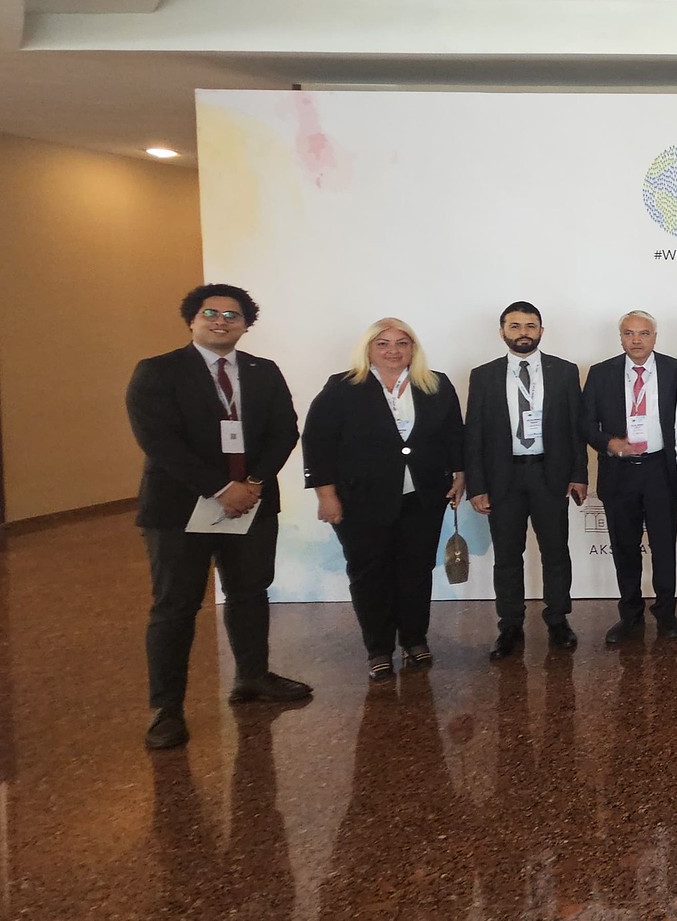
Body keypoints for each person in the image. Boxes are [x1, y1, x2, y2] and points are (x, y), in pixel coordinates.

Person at [125, 284, 311, 750]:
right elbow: (159, 441)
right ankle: (167, 710)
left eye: (233, 315)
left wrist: (253, 483)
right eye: (211, 313)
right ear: (192, 319)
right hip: (179, 509)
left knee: (250, 592)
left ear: (246, 325)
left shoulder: (263, 371)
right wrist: (221, 488)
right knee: (175, 606)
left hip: (251, 503)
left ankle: (252, 677)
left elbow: (284, 431)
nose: (221, 321)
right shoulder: (158, 371)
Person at [303, 317, 466, 680]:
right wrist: (326, 495)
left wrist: (460, 474)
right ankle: (378, 648)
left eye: (402, 343)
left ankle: (414, 639)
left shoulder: (436, 384)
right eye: (383, 343)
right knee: (369, 574)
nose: (393, 350)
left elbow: (454, 433)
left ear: (413, 348)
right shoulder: (343, 387)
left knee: (417, 570)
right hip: (360, 499)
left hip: (423, 496)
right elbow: (317, 442)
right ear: (368, 349)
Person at [465, 301, 587, 659]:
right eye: (515, 326)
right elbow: (474, 434)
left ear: (541, 331)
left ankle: (558, 620)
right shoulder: (483, 375)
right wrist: (477, 485)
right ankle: (510, 626)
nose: (523, 333)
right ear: (502, 332)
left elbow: (576, 428)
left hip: (550, 474)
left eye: (530, 326)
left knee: (556, 552)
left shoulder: (564, 371)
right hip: (503, 478)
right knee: (507, 556)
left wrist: (578, 475)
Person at [581, 310, 677, 645]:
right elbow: (584, 423)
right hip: (619, 472)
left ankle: (666, 612)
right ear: (621, 337)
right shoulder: (601, 373)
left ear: (655, 336)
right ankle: (630, 615)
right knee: (624, 547)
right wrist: (609, 443)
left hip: (660, 470)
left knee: (663, 546)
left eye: (643, 333)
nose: (636, 340)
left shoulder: (675, 370)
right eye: (629, 333)